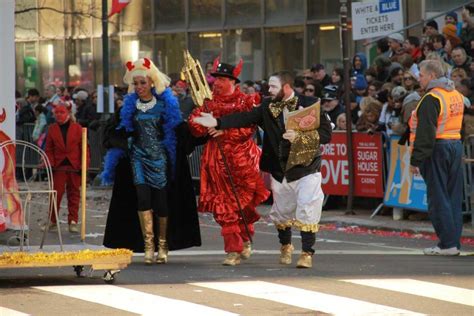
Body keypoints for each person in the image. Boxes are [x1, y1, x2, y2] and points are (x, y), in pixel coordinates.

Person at [193, 71, 332, 268]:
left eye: (273, 86)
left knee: (308, 207)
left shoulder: (311, 103)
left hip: (306, 167)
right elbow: (245, 117)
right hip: (279, 168)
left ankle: (307, 253)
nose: (268, 90)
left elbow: (326, 134)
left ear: (286, 87)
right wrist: (218, 122)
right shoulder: (268, 106)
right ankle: (285, 245)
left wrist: (301, 137)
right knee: (282, 212)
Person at [102, 57, 202, 264]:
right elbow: (114, 132)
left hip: (160, 160)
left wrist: (202, 125)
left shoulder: (166, 106)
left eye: (143, 82)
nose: (139, 87)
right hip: (137, 159)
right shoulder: (128, 108)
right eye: (136, 83)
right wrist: (126, 143)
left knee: (161, 203)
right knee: (143, 200)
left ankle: (162, 245)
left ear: (152, 82)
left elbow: (180, 132)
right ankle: (148, 246)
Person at [188, 58, 270, 266]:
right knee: (223, 207)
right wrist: (203, 124)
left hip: (242, 161)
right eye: (216, 78)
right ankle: (232, 250)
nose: (218, 83)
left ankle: (245, 237)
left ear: (234, 82)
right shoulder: (207, 101)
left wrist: (225, 131)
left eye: (223, 79)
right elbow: (194, 126)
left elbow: (248, 128)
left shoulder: (245, 102)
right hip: (215, 161)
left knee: (244, 204)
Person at [409, 60, 464, 256]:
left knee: (438, 197)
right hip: (455, 145)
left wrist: (416, 160)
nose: (419, 79)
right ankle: (453, 242)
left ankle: (447, 244)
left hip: (437, 149)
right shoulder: (455, 94)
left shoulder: (432, 98)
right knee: (452, 197)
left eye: (421, 75)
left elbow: (425, 133)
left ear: (432, 76)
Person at [43, 99, 89, 233]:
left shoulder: (77, 128)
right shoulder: (52, 129)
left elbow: (85, 148)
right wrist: (50, 163)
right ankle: (52, 220)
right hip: (58, 167)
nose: (58, 115)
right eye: (56, 112)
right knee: (55, 194)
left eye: (61, 112)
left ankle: (73, 221)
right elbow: (49, 149)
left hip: (75, 166)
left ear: (68, 113)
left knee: (74, 194)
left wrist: (84, 165)